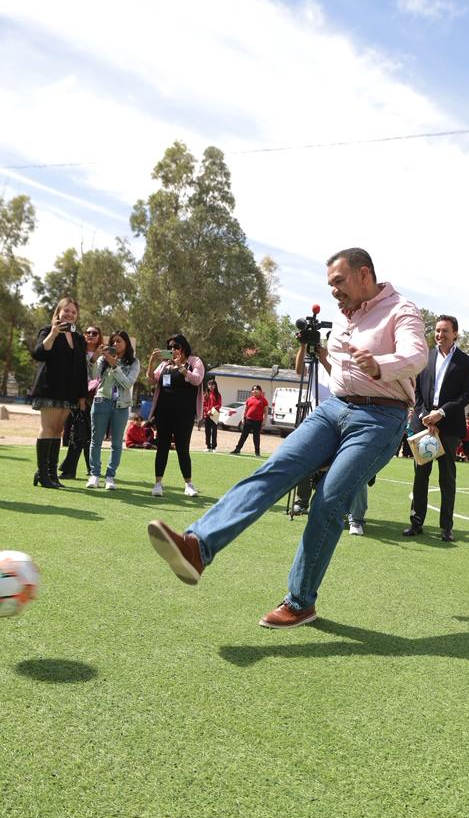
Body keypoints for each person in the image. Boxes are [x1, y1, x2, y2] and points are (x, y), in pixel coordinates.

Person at [145, 247, 427, 628]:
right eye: (330, 285)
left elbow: (416, 356)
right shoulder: (343, 320)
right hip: (335, 408)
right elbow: (341, 372)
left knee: (328, 501)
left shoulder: (400, 310)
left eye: (339, 282)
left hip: (381, 416)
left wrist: (380, 365)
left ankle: (300, 602)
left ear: (364, 275)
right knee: (276, 468)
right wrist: (318, 351)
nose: (334, 292)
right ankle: (198, 547)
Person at [403, 315, 469, 543]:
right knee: (420, 476)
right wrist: (426, 416)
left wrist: (441, 413)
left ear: (455, 334)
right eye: (437, 330)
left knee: (447, 478)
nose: (440, 335)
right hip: (424, 424)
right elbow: (417, 391)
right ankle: (416, 522)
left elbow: (465, 396)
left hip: (449, 425)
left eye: (445, 331)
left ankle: (446, 527)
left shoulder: (466, 362)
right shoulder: (426, 357)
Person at [29, 298, 89, 489]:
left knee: (57, 430)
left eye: (73, 312)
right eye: (66, 311)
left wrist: (81, 395)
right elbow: (39, 353)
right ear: (58, 312)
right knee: (48, 428)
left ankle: (51, 473)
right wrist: (54, 334)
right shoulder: (48, 330)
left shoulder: (79, 338)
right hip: (50, 388)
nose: (70, 315)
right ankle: (43, 473)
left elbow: (81, 368)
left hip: (69, 392)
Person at [146, 333, 205, 497]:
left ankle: (188, 484)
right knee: (162, 447)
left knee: (182, 448)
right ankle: (158, 484)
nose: (173, 350)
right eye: (170, 347)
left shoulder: (194, 362)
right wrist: (152, 362)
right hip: (163, 413)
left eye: (176, 347)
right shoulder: (165, 364)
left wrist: (181, 367)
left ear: (184, 347)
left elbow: (197, 380)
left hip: (184, 414)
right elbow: (152, 379)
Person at [87, 330, 140, 490]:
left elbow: (127, 383)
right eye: (114, 342)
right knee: (96, 441)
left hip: (121, 405)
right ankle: (94, 474)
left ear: (126, 344)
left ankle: (110, 476)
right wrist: (94, 358)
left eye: (119, 341)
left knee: (116, 443)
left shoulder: (134, 362)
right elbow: (93, 375)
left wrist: (115, 365)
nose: (115, 344)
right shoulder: (103, 358)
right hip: (101, 401)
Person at [59, 324, 102, 480]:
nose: (90, 335)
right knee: (78, 432)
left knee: (89, 435)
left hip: (97, 399)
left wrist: (96, 358)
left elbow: (98, 376)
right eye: (88, 332)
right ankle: (72, 469)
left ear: (99, 336)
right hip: (78, 396)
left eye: (94, 333)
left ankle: (90, 468)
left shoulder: (103, 354)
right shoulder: (78, 351)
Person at [231, 385, 269, 456]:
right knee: (243, 436)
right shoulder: (249, 399)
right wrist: (243, 418)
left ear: (260, 391)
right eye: (253, 390)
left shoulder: (263, 400)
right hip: (248, 420)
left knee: (256, 437)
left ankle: (257, 452)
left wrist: (264, 421)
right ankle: (237, 449)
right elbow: (245, 409)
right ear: (252, 391)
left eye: (257, 389)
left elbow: (266, 412)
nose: (255, 391)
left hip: (258, 421)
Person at [203, 379, 222, 451]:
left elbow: (219, 404)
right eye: (209, 384)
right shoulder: (205, 394)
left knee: (214, 431)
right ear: (207, 386)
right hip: (207, 415)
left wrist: (212, 410)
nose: (211, 386)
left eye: (212, 385)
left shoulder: (218, 394)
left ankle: (214, 447)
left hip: (215, 414)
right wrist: (207, 411)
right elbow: (203, 404)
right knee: (207, 431)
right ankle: (208, 446)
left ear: (215, 386)